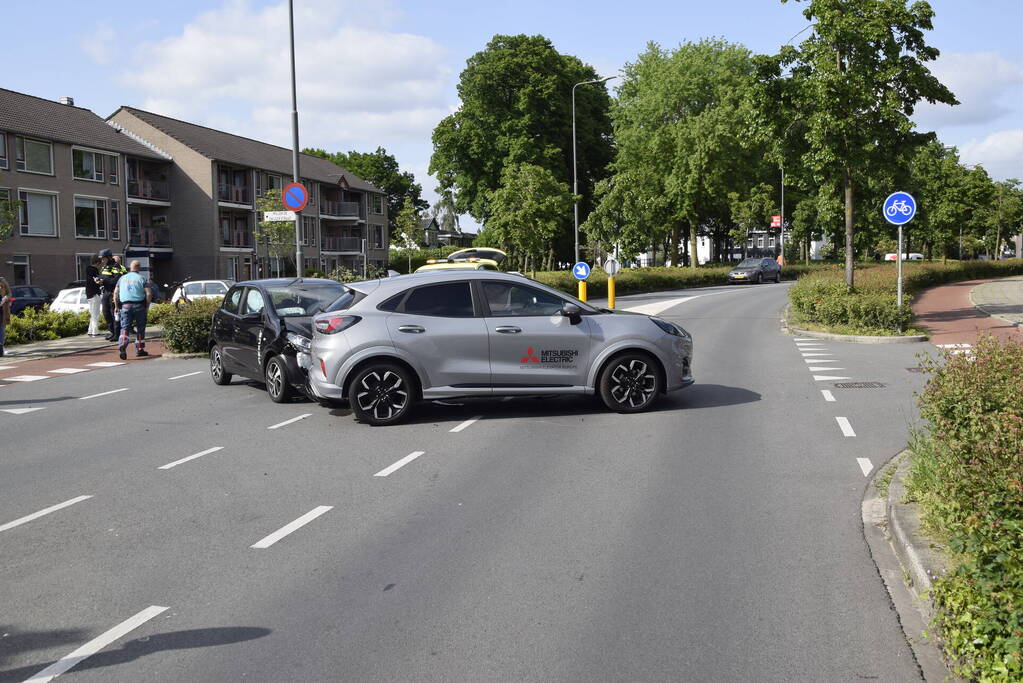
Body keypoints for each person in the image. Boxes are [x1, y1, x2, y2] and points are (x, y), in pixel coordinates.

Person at [113, 260, 152, 360]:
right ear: (138, 268)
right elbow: (148, 293)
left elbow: (116, 293)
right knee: (140, 328)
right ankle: (139, 349)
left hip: (125, 306)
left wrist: (117, 306)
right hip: (139, 306)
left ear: (130, 267)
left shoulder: (122, 278)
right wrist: (147, 306)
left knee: (125, 327)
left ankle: (122, 345)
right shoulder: (142, 278)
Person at [98, 249, 127, 341]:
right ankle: (112, 332)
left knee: (114, 313)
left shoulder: (116, 266)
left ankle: (117, 334)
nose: (102, 261)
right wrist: (99, 280)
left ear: (109, 257)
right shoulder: (104, 267)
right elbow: (103, 277)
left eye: (103, 259)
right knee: (106, 313)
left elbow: (116, 280)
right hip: (106, 292)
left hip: (113, 293)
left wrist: (105, 281)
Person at [85, 256, 103, 336]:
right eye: (100, 264)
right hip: (95, 293)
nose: (100, 266)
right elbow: (97, 281)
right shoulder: (94, 270)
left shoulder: (87, 269)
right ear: (97, 263)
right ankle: (95, 331)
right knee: (95, 313)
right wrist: (102, 281)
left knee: (92, 313)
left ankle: (90, 330)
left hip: (89, 293)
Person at [0, 276, 11, 357]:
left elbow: (9, 293)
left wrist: (5, 298)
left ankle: (1, 348)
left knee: (1, 329)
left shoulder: (2, 280)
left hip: (2, 309)